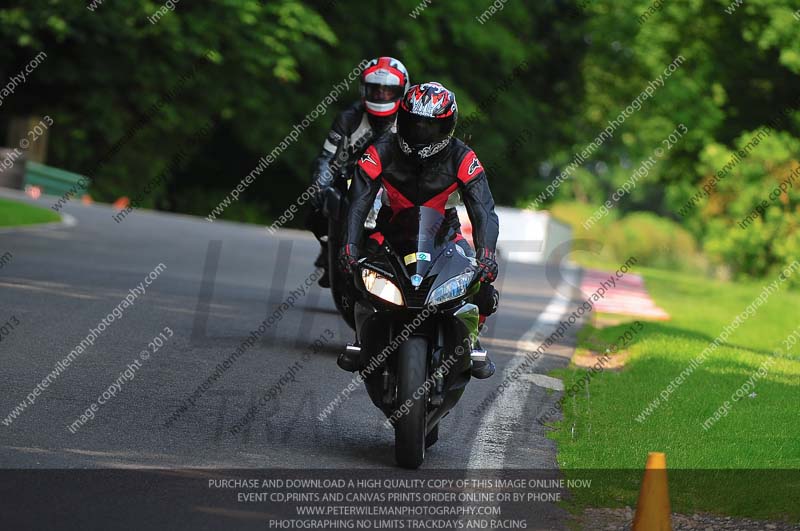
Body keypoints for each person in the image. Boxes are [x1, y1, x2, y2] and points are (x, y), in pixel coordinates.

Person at [338, 82, 500, 379]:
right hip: (387, 234)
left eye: (431, 126)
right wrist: (349, 247)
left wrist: (486, 255)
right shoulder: (380, 150)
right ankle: (363, 339)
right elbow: (357, 201)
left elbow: (483, 210)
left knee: (483, 286)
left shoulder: (464, 158)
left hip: (446, 236)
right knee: (354, 274)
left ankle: (473, 339)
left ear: (448, 126)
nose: (421, 133)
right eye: (415, 124)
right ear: (402, 119)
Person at [306, 56, 410, 288]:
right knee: (317, 207)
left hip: (394, 183)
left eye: (387, 91)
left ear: (401, 91)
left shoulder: (410, 122)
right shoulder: (348, 118)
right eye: (376, 90)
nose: (381, 95)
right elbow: (326, 157)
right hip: (352, 178)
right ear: (364, 89)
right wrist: (320, 185)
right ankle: (329, 249)